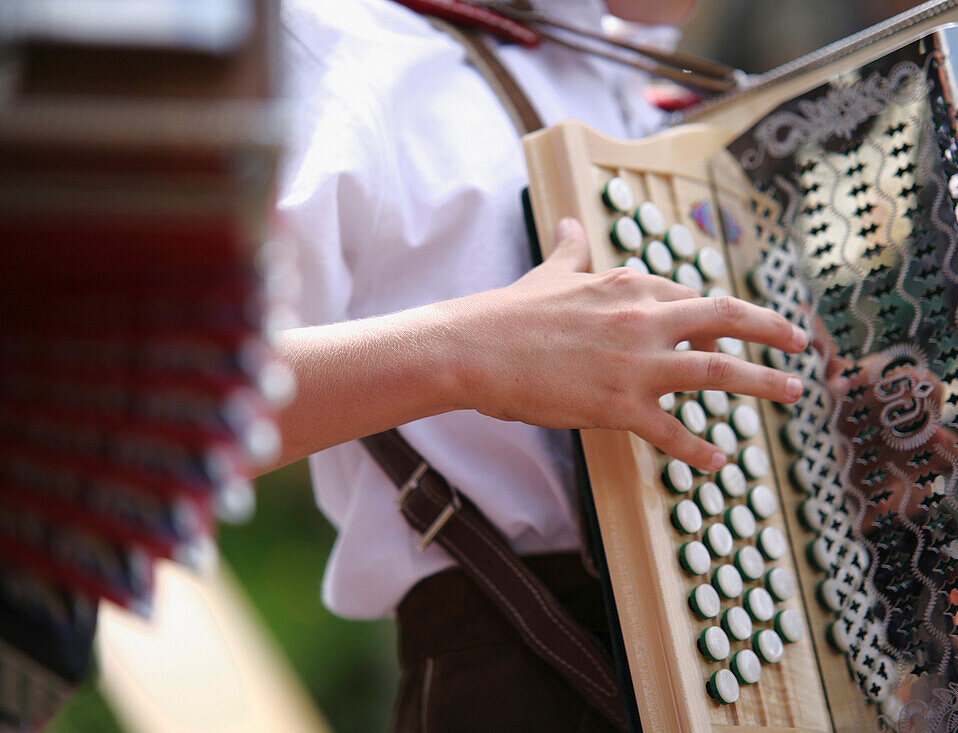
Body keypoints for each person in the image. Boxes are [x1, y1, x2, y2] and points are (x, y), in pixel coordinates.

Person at [272, 0, 807, 729]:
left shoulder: (634, 74)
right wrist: (474, 350)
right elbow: (134, 399)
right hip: (521, 670)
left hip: (773, 653)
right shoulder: (343, 47)